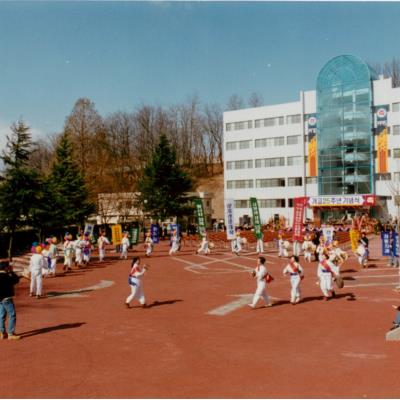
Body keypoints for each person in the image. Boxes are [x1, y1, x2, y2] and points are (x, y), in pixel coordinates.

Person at [0, 260, 21, 340]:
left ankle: (2, 332)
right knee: (12, 314)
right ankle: (10, 333)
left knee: (2, 315)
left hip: (0, 299)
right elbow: (16, 280)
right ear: (6, 268)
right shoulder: (7, 276)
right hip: (7, 298)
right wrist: (11, 272)